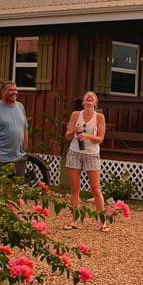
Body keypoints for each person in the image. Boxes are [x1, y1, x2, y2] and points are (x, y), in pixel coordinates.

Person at [63, 91, 107, 231]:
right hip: (75, 152)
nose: (89, 97)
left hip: (91, 154)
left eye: (92, 97)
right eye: (87, 96)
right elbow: (67, 136)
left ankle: (102, 222)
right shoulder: (76, 115)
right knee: (75, 188)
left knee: (95, 188)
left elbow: (100, 139)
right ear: (83, 101)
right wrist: (74, 131)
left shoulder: (99, 117)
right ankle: (76, 220)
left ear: (95, 102)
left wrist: (87, 136)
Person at [0, 82, 29, 182]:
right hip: (0, 159)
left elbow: (25, 129)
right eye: (11, 90)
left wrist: (25, 150)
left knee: (17, 189)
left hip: (19, 158)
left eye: (15, 90)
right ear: (3, 92)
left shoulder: (20, 107)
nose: (14, 92)